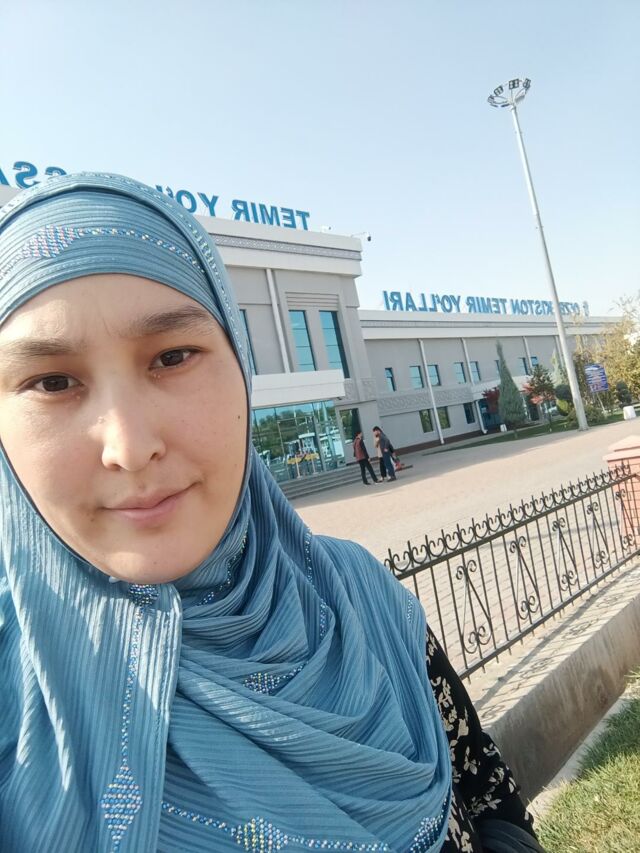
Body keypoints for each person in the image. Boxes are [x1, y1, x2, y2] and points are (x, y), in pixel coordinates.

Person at [0, 174, 544, 852]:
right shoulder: (16, 709)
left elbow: (491, 799)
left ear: (241, 371)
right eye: (52, 381)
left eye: (172, 356)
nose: (130, 447)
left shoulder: (355, 594)